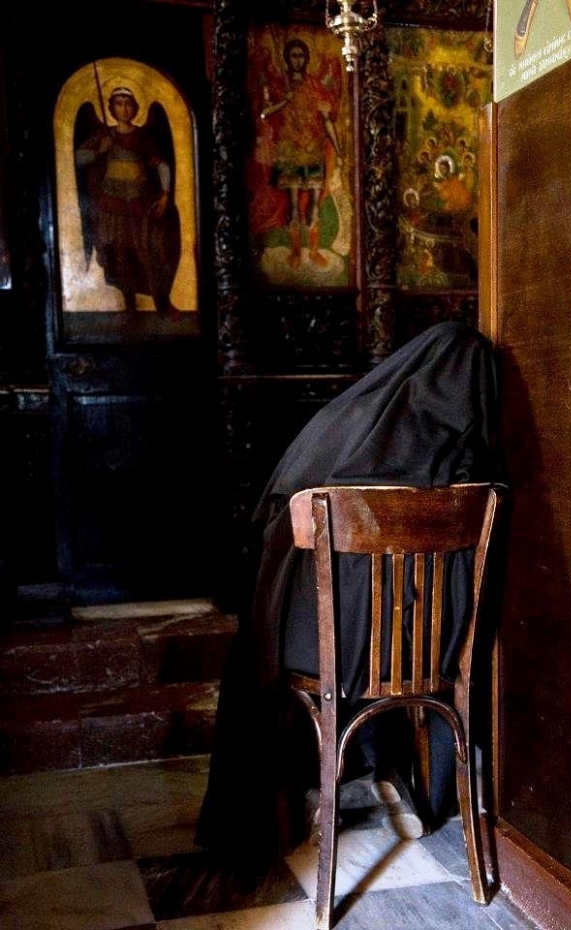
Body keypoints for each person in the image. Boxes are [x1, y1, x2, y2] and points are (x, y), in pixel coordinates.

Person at [195, 321, 504, 878]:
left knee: (269, 637)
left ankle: (299, 789)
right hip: (426, 654)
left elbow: (278, 534)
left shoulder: (347, 423)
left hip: (324, 652)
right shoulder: (466, 467)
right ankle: (409, 782)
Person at [75, 86, 181, 320]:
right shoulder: (104, 136)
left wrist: (166, 194)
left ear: (135, 107)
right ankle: (130, 307)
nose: (124, 108)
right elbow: (78, 157)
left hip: (140, 203)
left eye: (128, 103)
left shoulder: (142, 137)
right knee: (120, 255)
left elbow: (162, 165)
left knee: (150, 252)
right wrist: (100, 151)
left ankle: (162, 304)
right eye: (119, 103)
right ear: (112, 108)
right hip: (112, 204)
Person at [259, 38, 343, 268]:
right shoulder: (279, 84)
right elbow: (265, 113)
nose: (298, 60)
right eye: (294, 56)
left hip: (313, 150)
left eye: (301, 56)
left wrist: (338, 149)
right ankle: (296, 251)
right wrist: (283, 102)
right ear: (287, 58)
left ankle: (313, 251)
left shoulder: (314, 85)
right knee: (294, 206)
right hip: (290, 151)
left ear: (306, 58)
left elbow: (327, 121)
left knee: (315, 204)